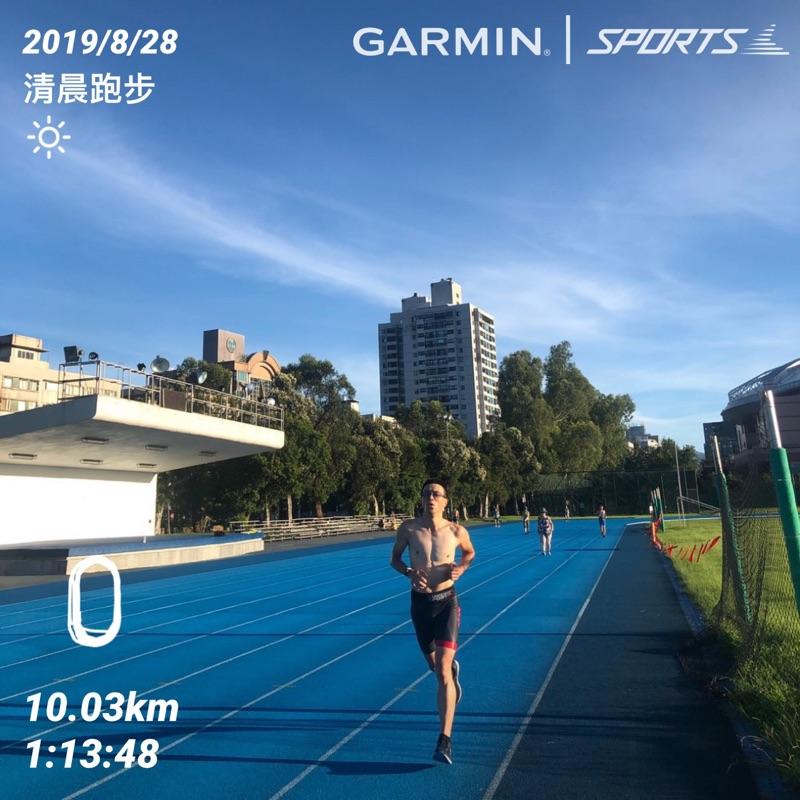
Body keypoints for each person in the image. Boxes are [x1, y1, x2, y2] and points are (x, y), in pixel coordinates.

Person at [390, 479, 476, 765]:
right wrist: (409, 572)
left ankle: (445, 739)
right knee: (434, 666)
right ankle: (450, 671)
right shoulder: (409, 529)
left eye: (436, 494)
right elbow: (395, 560)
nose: (431, 497)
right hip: (420, 604)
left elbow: (470, 552)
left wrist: (461, 568)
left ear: (445, 501)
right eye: (427, 492)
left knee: (441, 670)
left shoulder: (456, 531)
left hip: (446, 602)